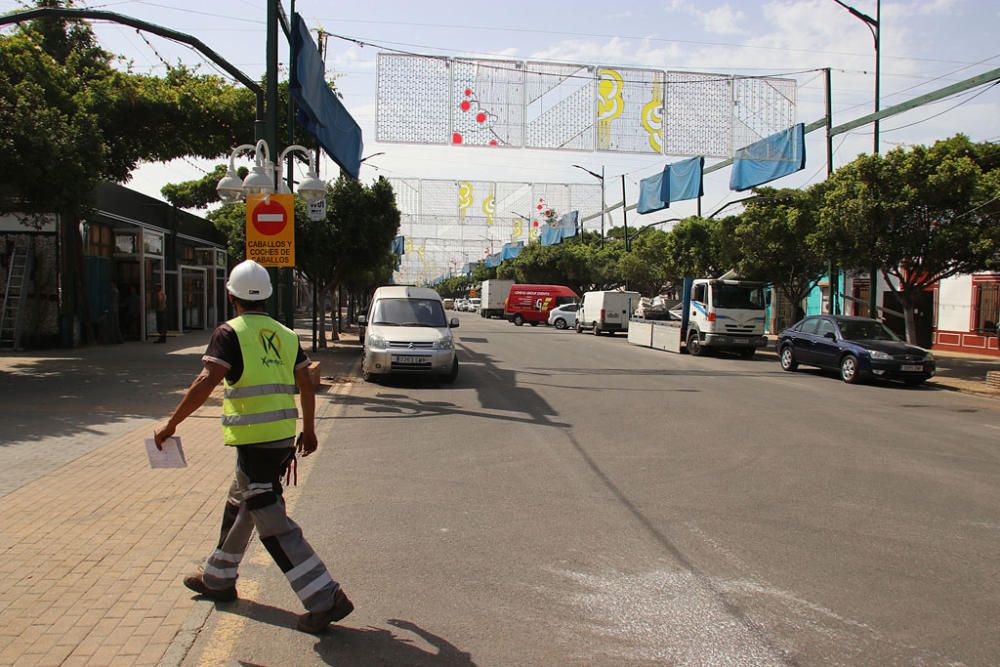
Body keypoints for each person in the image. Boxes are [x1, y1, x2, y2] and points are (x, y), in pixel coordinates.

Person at [153, 259, 352, 634]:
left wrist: (173, 422)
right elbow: (306, 383)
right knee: (240, 503)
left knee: (272, 524)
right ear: (269, 297)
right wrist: (309, 430)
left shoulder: (229, 332)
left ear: (231, 295)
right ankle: (219, 578)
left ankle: (325, 598)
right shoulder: (286, 334)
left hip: (254, 444)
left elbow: (206, 379)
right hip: (279, 441)